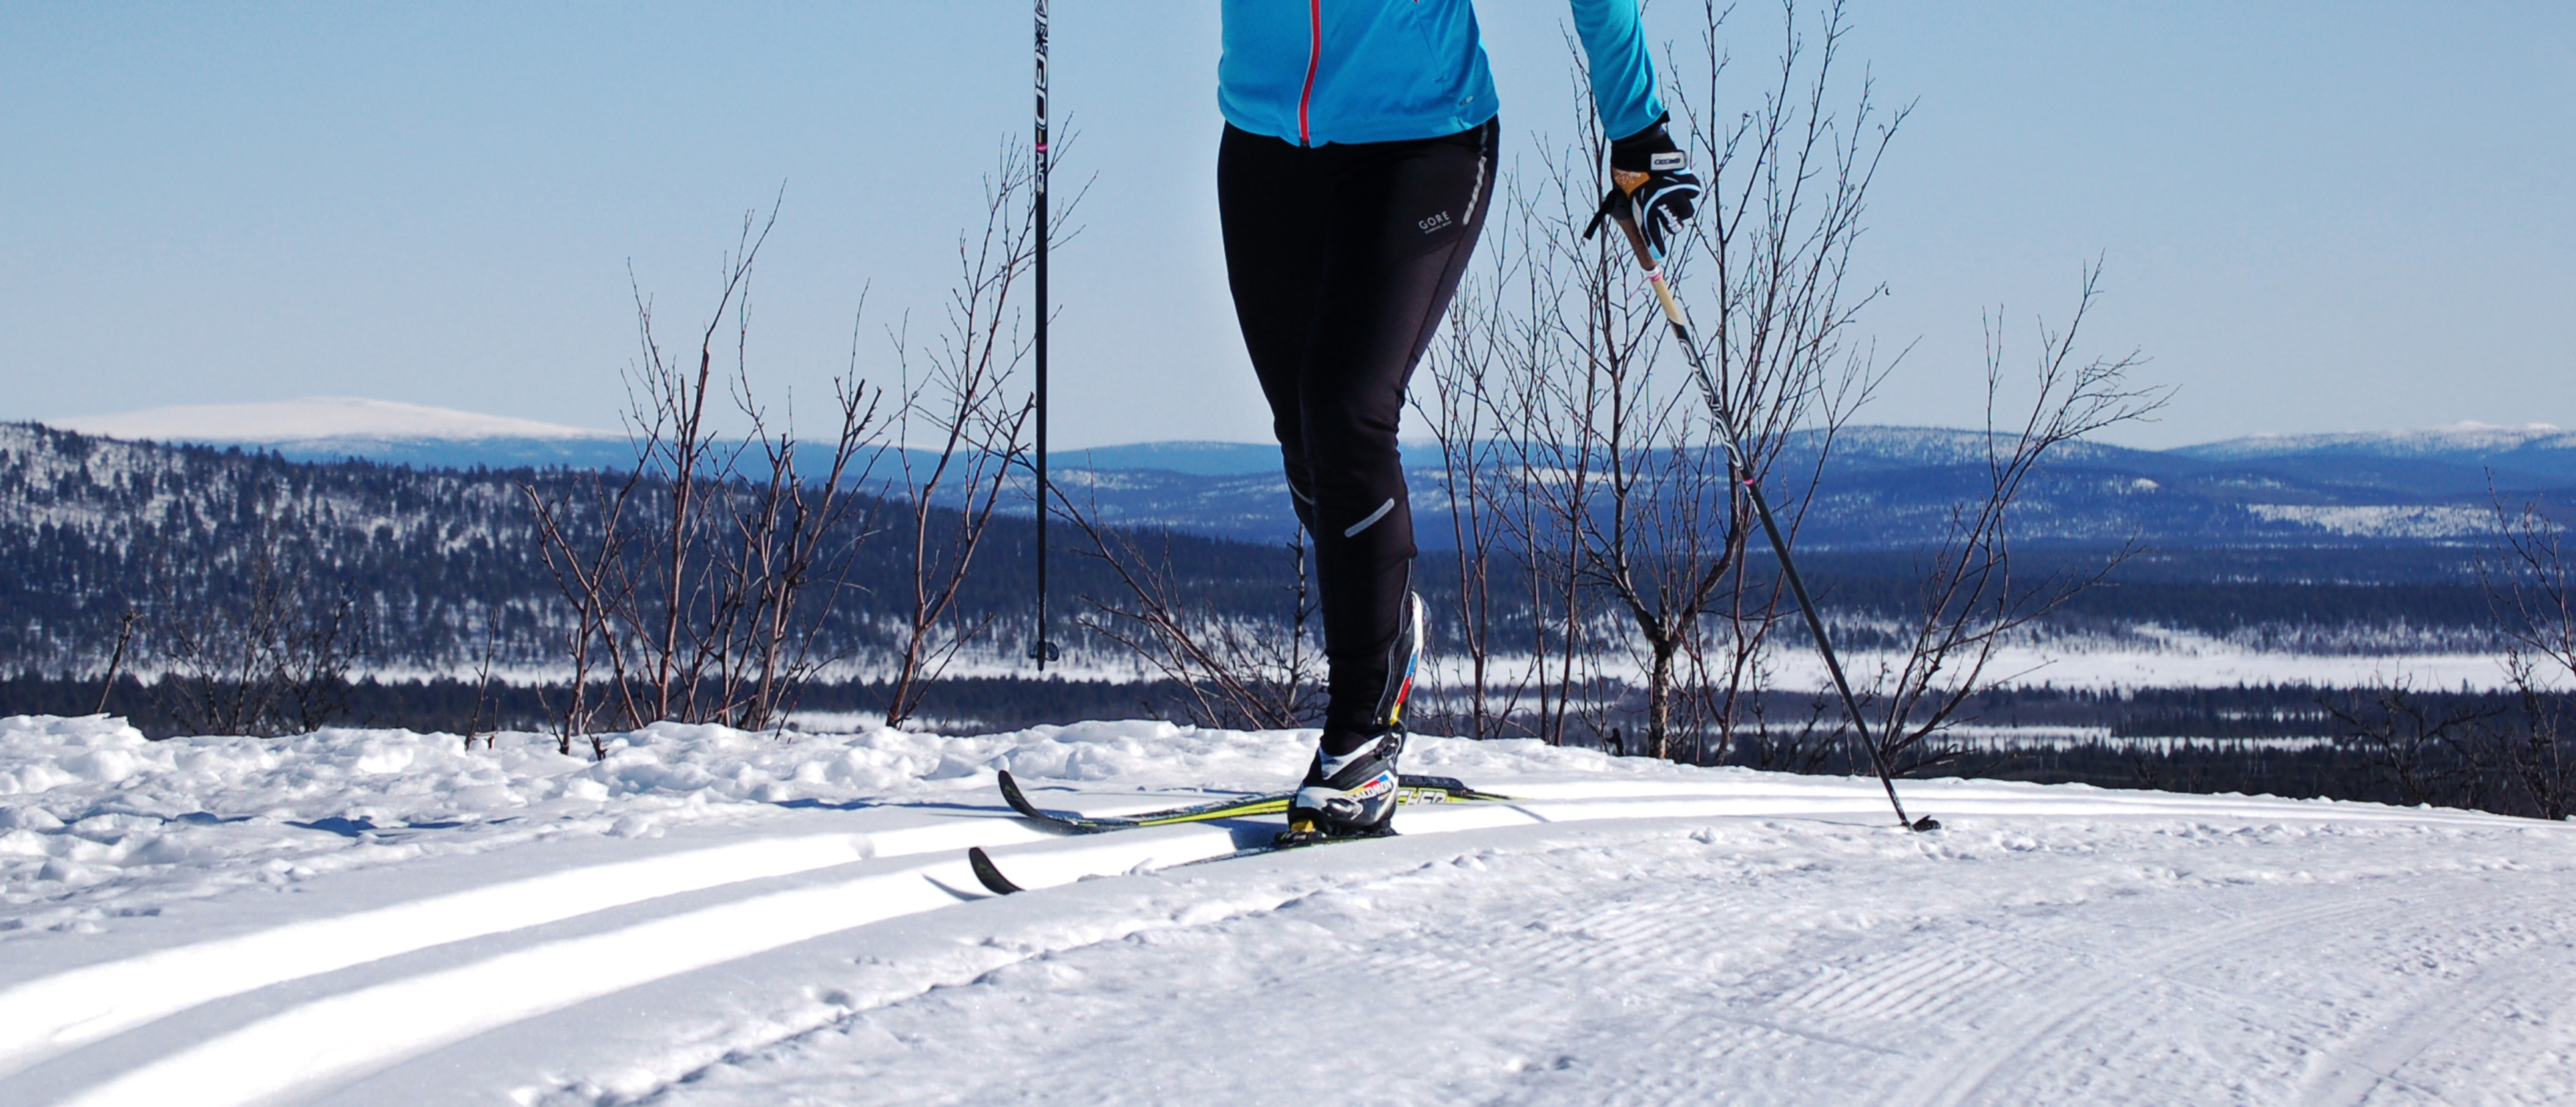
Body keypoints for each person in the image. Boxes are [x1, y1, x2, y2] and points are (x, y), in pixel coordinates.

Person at [1216, 0, 1702, 841]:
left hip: (1422, 138)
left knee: (1345, 411)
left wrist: (1636, 125)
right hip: (1264, 141)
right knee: (1307, 444)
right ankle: (1387, 621)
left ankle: (1359, 744)